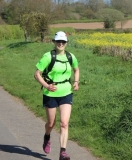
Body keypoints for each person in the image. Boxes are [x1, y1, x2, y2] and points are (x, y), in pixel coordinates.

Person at [34, 31, 80, 160]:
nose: (61, 44)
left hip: (66, 92)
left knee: (64, 123)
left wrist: (76, 82)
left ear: (66, 43)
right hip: (50, 93)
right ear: (54, 42)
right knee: (51, 123)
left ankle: (63, 152)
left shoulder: (71, 57)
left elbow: (76, 70)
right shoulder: (48, 56)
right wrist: (46, 85)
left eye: (63, 42)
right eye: (58, 41)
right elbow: (37, 74)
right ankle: (47, 136)